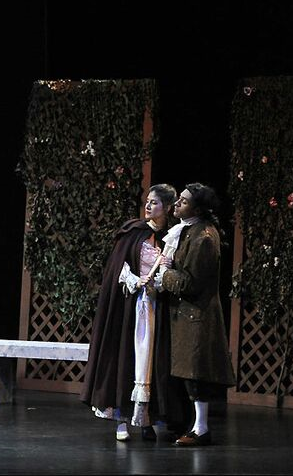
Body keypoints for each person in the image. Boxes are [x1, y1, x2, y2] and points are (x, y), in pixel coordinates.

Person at [80, 183, 186, 441]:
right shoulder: (133, 232)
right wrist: (133, 280)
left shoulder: (170, 238)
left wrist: (158, 283)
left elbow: (170, 272)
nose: (148, 206)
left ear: (168, 208)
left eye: (155, 203)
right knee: (127, 358)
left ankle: (146, 420)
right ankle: (121, 421)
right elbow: (117, 268)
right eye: (147, 201)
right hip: (130, 307)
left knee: (150, 363)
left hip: (155, 308)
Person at [159, 183, 236, 447]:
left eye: (184, 200)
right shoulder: (188, 231)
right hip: (186, 314)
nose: (178, 203)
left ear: (198, 208)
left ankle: (201, 429)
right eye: (178, 199)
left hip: (197, 315)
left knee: (196, 374)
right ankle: (194, 425)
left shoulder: (203, 237)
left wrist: (166, 274)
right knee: (189, 374)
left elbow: (191, 283)